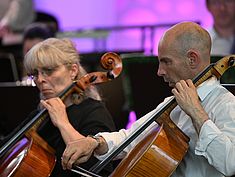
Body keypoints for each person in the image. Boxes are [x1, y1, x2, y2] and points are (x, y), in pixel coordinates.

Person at [61, 22, 235, 177]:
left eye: (166, 62)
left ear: (192, 59)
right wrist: (94, 142)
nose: (159, 71)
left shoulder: (226, 104)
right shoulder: (172, 104)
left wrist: (197, 113)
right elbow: (131, 137)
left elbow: (230, 163)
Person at [23, 38, 116, 177]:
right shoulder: (39, 115)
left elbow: (93, 170)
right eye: (35, 74)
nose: (40, 80)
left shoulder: (94, 112)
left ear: (73, 70)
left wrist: (62, 122)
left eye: (48, 71)